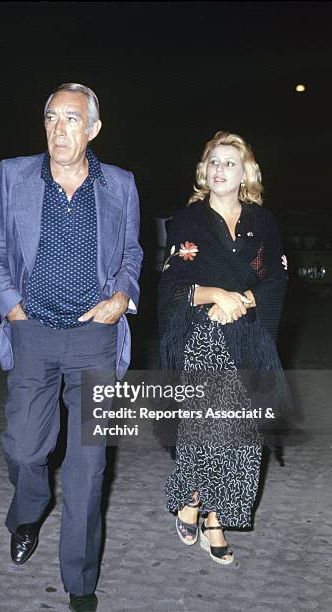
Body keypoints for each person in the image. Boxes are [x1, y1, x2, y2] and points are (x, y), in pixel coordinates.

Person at [0, 83, 142, 612]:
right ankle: (29, 509)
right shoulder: (12, 175)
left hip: (96, 337)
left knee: (89, 468)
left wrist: (122, 297)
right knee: (25, 449)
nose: (58, 129)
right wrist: (15, 311)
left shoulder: (120, 184)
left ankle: (81, 584)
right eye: (51, 117)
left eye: (71, 119)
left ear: (93, 129)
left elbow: (133, 254)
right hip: (33, 333)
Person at [158, 131, 288, 565]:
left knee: (243, 436)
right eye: (213, 161)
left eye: (229, 163)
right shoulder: (189, 220)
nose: (219, 169)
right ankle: (196, 500)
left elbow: (277, 279)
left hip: (248, 334)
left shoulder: (263, 222)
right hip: (203, 333)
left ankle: (213, 511)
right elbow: (172, 285)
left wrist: (243, 300)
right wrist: (214, 293)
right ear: (203, 170)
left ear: (245, 172)